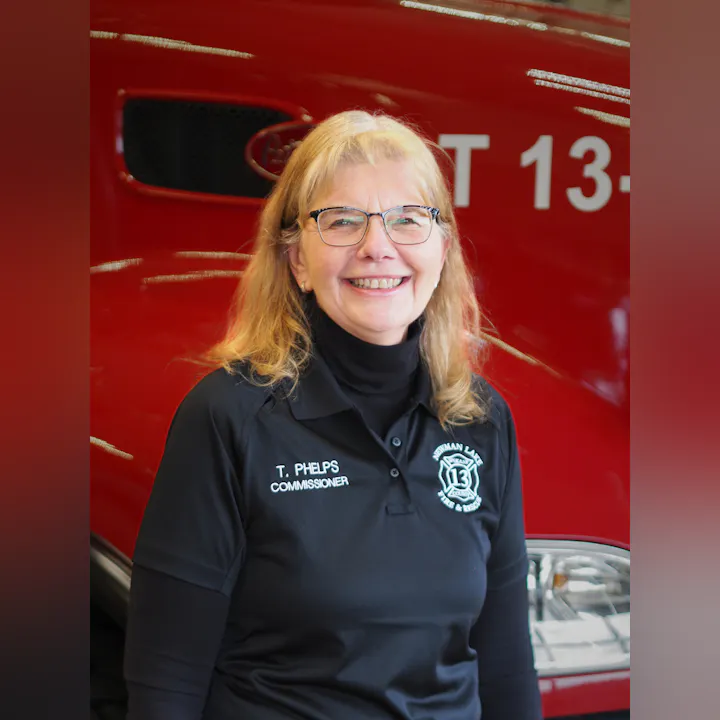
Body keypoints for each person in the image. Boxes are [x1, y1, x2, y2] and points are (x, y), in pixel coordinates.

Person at [124, 110, 542, 720]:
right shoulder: (229, 417)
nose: (378, 247)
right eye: (342, 221)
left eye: (408, 220)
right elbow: (167, 678)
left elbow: (505, 663)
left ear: (443, 249)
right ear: (297, 260)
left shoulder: (479, 419)